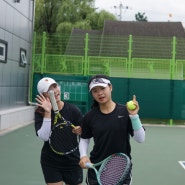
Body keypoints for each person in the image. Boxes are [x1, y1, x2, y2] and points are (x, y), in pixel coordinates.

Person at [79, 74, 145, 185]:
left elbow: (140, 139)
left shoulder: (125, 112)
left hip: (121, 168)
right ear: (92, 94)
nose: (100, 93)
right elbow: (84, 139)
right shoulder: (89, 117)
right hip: (97, 170)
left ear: (110, 87)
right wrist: (83, 156)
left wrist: (134, 116)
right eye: (95, 91)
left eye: (103, 88)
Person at [34, 77, 83, 185]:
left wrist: (81, 130)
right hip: (51, 162)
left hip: (73, 161)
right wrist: (47, 112)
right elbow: (44, 137)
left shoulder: (73, 110)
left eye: (55, 86)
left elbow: (85, 134)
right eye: (49, 90)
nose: (54, 91)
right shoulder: (39, 112)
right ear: (43, 95)